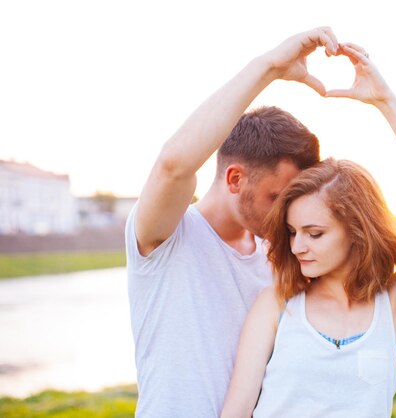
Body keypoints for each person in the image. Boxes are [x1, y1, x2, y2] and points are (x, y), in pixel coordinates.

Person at [220, 42, 396, 417]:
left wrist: (386, 101)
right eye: (293, 232)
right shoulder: (277, 305)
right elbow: (236, 411)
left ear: (356, 232)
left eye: (315, 234)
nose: (298, 246)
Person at [124, 27, 341, 417]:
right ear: (235, 179)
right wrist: (269, 66)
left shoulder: (282, 253)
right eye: (277, 197)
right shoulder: (167, 237)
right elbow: (174, 164)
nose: (286, 215)